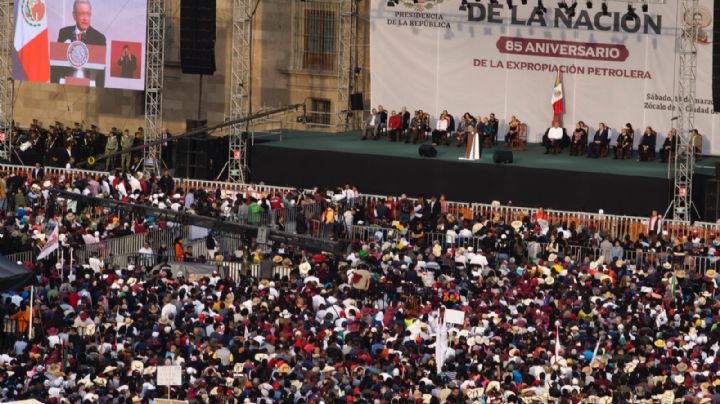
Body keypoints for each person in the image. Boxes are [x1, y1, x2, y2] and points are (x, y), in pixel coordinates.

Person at [55, 0, 107, 87]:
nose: (85, 18)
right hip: (66, 85)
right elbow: (56, 65)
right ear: (74, 15)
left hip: (89, 88)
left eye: (88, 14)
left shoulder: (100, 38)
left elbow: (100, 73)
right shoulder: (64, 33)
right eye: (81, 14)